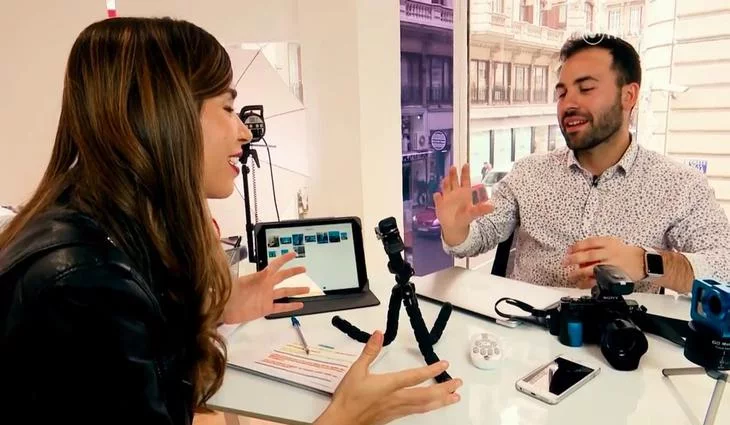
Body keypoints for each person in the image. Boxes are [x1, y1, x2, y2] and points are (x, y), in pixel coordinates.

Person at [0, 17, 461, 425]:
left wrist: (213, 313)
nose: (243, 131)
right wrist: (345, 418)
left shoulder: (98, 238)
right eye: (226, 107)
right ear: (163, 115)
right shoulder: (83, 290)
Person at [435, 34, 730, 294]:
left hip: (622, 335)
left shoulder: (679, 184)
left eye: (586, 88)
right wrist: (456, 230)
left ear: (628, 95)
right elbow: (481, 235)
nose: (568, 104)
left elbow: (724, 265)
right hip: (527, 330)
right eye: (561, 93)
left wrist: (646, 262)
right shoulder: (528, 173)